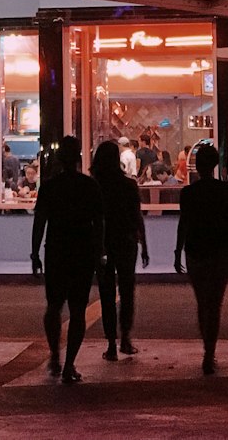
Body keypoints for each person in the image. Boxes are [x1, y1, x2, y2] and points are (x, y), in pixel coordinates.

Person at [31, 136, 104, 384]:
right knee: (77, 310)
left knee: (53, 306)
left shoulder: (50, 187)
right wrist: (98, 252)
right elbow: (99, 223)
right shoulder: (89, 186)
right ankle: (69, 363)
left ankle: (55, 354)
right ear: (79, 158)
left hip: (56, 250)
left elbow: (39, 221)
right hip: (81, 251)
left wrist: (34, 253)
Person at [174, 141, 228, 375]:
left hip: (196, 251)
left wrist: (177, 252)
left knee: (203, 302)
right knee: (215, 302)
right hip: (221, 251)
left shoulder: (188, 193)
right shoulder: (225, 190)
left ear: (197, 165)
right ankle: (210, 353)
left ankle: (207, 349)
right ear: (214, 165)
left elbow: (183, 224)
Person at [91, 140, 148, 361]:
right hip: (126, 241)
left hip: (104, 243)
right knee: (126, 291)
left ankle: (111, 344)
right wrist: (144, 244)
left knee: (106, 294)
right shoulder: (128, 185)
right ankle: (125, 338)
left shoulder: (96, 186)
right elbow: (136, 216)